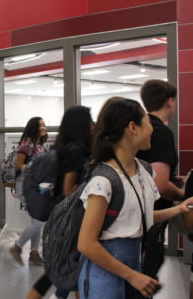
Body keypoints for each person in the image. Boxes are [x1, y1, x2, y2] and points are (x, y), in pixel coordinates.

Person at [77, 98, 193, 299]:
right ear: (133, 128)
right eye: (147, 122)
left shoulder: (144, 170)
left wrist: (180, 208)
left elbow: (139, 216)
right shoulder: (103, 181)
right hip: (107, 275)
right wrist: (132, 276)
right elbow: (86, 244)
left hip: (134, 264)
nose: (152, 129)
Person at [27, 106, 93, 299]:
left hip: (64, 219)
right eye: (89, 121)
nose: (92, 125)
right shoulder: (75, 151)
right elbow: (68, 189)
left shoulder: (66, 147)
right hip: (70, 221)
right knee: (63, 272)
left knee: (65, 273)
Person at [137, 79, 184, 208]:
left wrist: (172, 179)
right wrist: (184, 195)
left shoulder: (139, 128)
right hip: (155, 212)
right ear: (169, 101)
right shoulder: (161, 132)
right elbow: (160, 186)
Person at [9, 117, 48, 266]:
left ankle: (34, 253)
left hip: (35, 186)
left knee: (37, 221)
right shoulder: (28, 143)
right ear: (34, 128)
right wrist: (36, 167)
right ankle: (17, 247)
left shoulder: (40, 145)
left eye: (44, 124)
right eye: (40, 125)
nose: (44, 127)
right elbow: (18, 165)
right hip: (25, 185)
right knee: (38, 222)